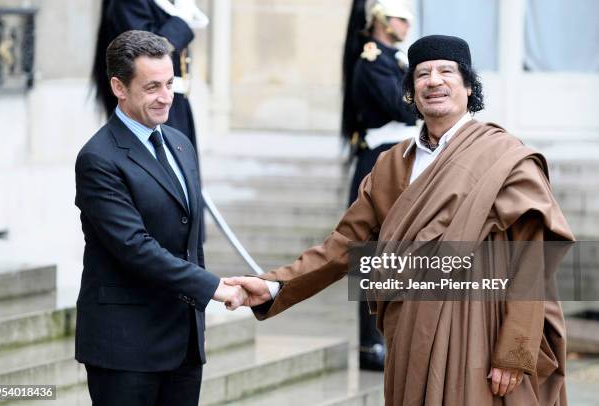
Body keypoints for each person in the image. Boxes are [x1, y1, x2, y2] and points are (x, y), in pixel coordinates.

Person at [226, 35, 573, 405]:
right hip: (410, 334)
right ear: (411, 91)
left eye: (446, 72)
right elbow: (343, 245)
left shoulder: (505, 157)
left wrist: (515, 351)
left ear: (469, 86)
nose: (434, 81)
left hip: (480, 332)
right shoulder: (391, 164)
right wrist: (276, 285)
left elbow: (531, 260)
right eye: (422, 74)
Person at [75, 30, 245, 406]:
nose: (166, 96)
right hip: (125, 348)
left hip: (183, 343)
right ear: (119, 87)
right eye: (152, 87)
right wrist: (211, 286)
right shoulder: (98, 159)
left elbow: (189, 239)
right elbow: (134, 247)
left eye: (169, 83)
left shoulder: (180, 142)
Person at [341, 0, 417, 371]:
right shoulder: (373, 61)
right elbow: (402, 108)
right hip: (379, 163)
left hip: (398, 159)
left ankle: (395, 338)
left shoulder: (396, 59)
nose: (406, 25)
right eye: (402, 18)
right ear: (384, 21)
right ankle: (371, 346)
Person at [92, 0, 207, 150]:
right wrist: (180, 21)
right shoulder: (129, 4)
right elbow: (145, 53)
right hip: (150, 103)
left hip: (174, 101)